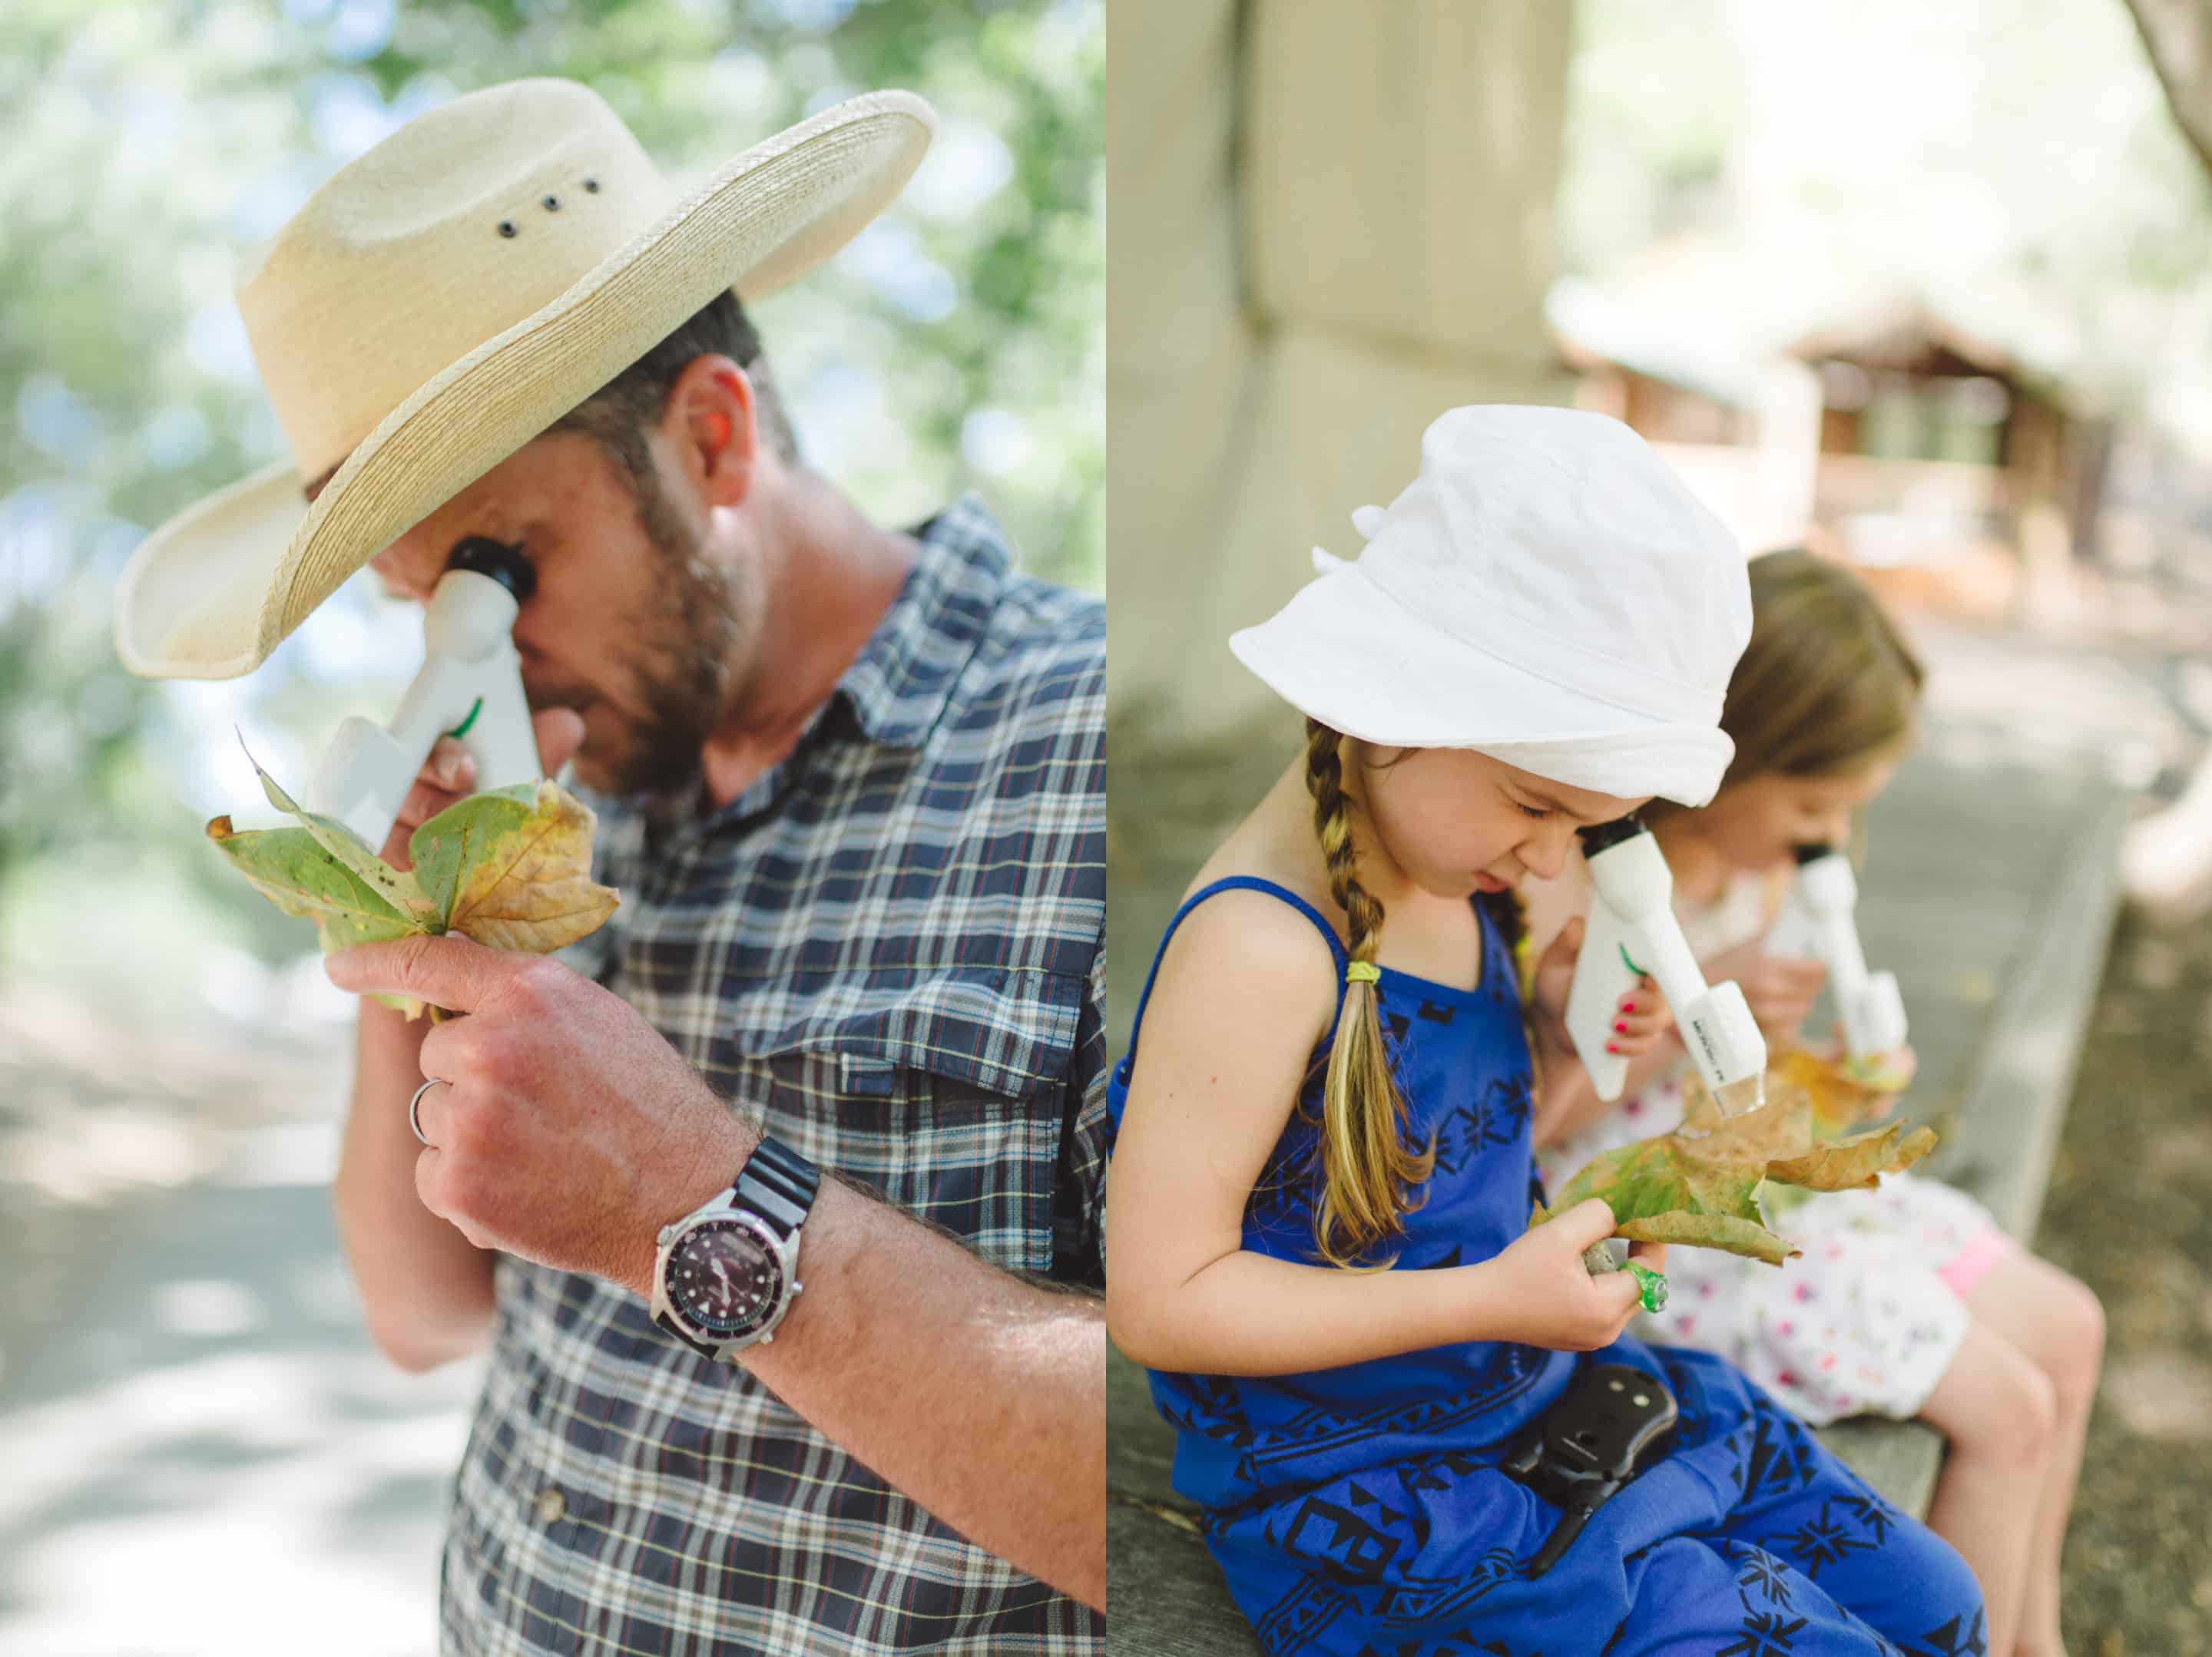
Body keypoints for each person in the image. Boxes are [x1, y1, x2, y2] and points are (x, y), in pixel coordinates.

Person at [112, 81, 1104, 1652]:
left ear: (710, 435)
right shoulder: (576, 774)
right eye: (418, 600)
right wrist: (410, 939)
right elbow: (424, 1312)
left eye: (501, 570)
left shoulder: (1100, 753)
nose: (475, 656)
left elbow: (1210, 1482)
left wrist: (688, 1196)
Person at [1106, 406, 1985, 1654]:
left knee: (1940, 1604)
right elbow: (1162, 1298)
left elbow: (1471, 1159)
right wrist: (1491, 1299)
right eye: (1537, 803)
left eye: (1592, 824)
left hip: (1534, 1391)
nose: (1554, 853)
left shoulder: (1478, 882)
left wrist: (1565, 1056)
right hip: (1382, 1477)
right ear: (1394, 700)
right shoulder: (1258, 949)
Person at [1529, 548, 2104, 1657]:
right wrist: (1693, 1016)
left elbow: (1756, 1080)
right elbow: (1535, 1124)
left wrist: (1823, 1067)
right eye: (1811, 806)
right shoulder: (1596, 886)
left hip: (1771, 1187)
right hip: (1667, 1239)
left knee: (2069, 1327)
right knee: (2009, 1407)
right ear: (1728, 757)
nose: (1828, 839)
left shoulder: (1768, 867)